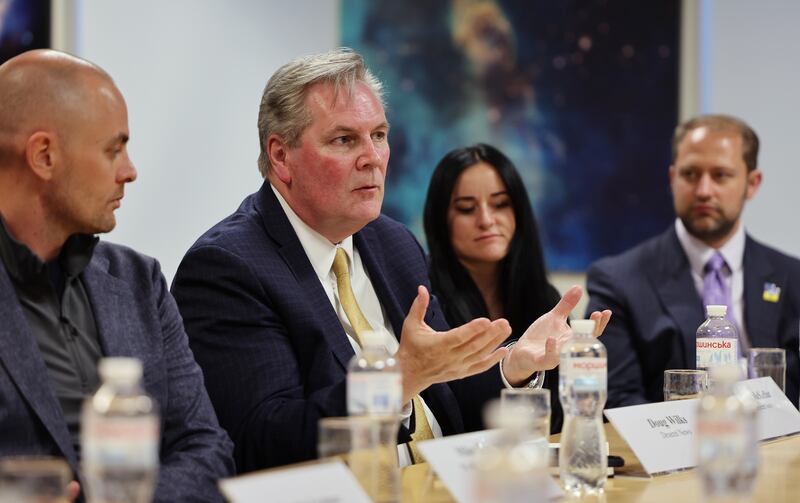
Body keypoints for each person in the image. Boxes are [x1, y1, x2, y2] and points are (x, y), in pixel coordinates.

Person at [171, 48, 609, 472]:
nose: (372, 159)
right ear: (282, 157)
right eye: (344, 140)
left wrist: (513, 365)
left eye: (378, 136)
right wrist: (395, 382)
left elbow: (447, 392)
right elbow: (262, 442)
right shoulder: (228, 267)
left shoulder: (392, 242)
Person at [0, 49, 234, 501]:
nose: (130, 171)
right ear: (44, 155)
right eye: (114, 149)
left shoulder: (138, 281)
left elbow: (206, 448)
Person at [585, 114, 800, 408]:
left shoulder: (792, 277)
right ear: (673, 179)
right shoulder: (618, 281)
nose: (703, 191)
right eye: (690, 175)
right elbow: (618, 399)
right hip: (673, 448)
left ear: (752, 183)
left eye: (720, 175)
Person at [424, 143, 609, 433]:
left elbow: (561, 416)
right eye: (467, 208)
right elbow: (448, 411)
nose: (486, 220)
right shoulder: (426, 295)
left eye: (500, 204)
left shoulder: (544, 296)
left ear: (519, 211)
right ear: (440, 220)